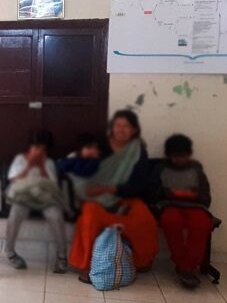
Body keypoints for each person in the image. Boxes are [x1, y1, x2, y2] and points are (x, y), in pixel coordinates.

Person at [68, 110, 159, 283]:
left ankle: (140, 261)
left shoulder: (138, 151)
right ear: (112, 127)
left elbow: (140, 182)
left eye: (126, 126)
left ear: (134, 130)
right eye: (118, 125)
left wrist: (114, 189)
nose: (121, 130)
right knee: (89, 217)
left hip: (127, 196)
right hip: (97, 197)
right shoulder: (99, 146)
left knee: (144, 219)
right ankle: (87, 265)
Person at [152, 134, 213, 289]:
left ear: (188, 154)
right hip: (170, 206)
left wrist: (188, 195)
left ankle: (188, 266)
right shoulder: (162, 169)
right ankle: (182, 265)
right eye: (175, 156)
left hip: (195, 207)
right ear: (169, 155)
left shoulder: (196, 170)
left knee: (202, 223)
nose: (178, 160)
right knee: (171, 221)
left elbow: (205, 197)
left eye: (182, 156)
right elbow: (154, 193)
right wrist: (170, 193)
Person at [4, 130, 70, 273]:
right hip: (23, 196)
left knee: (56, 215)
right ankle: (10, 252)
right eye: (36, 147)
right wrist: (29, 165)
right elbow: (13, 179)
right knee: (15, 214)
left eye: (43, 149)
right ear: (30, 146)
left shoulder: (49, 162)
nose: (39, 151)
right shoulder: (20, 159)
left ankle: (62, 256)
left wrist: (41, 166)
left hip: (44, 197)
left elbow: (53, 184)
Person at [58, 132, 103, 202]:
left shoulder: (96, 161)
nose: (93, 150)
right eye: (89, 147)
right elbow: (84, 171)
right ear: (80, 149)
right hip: (79, 191)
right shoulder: (73, 158)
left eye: (95, 147)